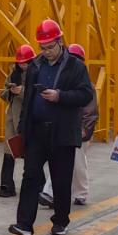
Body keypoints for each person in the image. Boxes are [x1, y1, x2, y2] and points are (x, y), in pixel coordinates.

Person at [7, 19, 94, 235]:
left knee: (61, 179)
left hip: (62, 133)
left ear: (60, 41)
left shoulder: (75, 66)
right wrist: (22, 130)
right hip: (37, 132)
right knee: (30, 177)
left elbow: (86, 95)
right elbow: (28, 100)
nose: (46, 52)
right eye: (43, 47)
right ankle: (24, 224)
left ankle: (61, 221)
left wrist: (60, 96)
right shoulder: (36, 65)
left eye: (50, 47)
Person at [39, 43, 97, 206]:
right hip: (63, 127)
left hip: (78, 129)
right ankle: (54, 192)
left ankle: (76, 193)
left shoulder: (86, 86)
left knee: (78, 164)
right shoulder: (60, 82)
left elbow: (91, 110)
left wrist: (85, 129)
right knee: (65, 162)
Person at [0, 44, 35, 197]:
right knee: (9, 151)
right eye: (20, 63)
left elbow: (39, 94)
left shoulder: (38, 73)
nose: (22, 65)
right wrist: (11, 91)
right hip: (12, 118)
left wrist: (23, 91)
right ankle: (6, 185)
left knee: (32, 154)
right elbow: (3, 93)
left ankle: (34, 185)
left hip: (30, 119)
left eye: (25, 63)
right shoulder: (14, 74)